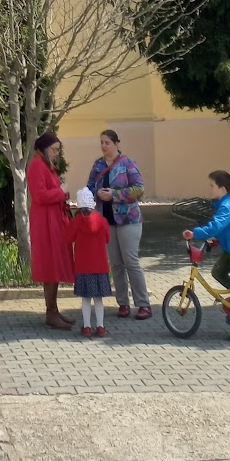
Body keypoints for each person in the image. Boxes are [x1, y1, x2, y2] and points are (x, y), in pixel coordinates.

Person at [184, 170, 230, 343]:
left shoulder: (226, 207)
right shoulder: (223, 204)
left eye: (212, 186)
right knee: (218, 272)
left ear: (222, 189)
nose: (209, 189)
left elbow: (216, 226)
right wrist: (214, 240)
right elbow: (224, 229)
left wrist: (195, 233)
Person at [89, 128, 151, 321]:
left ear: (116, 144)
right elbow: (90, 186)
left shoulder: (127, 163)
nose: (103, 146)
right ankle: (123, 303)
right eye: (101, 142)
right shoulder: (98, 165)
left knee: (131, 261)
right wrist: (95, 194)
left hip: (128, 220)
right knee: (115, 263)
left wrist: (114, 195)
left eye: (107, 142)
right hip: (106, 220)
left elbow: (139, 188)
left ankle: (143, 304)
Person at [27, 131, 74, 331]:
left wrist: (63, 194)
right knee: (50, 265)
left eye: (58, 150)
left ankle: (53, 310)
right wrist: (61, 192)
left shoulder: (46, 165)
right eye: (54, 150)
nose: (56, 153)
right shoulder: (37, 165)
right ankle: (51, 313)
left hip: (53, 220)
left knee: (54, 265)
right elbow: (39, 195)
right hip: (45, 222)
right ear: (45, 149)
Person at [67, 187, 112, 337]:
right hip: (100, 266)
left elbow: (68, 238)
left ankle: (86, 326)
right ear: (92, 203)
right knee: (98, 299)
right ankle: (100, 326)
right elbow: (107, 238)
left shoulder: (77, 221)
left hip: (82, 267)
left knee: (86, 298)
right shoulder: (102, 220)